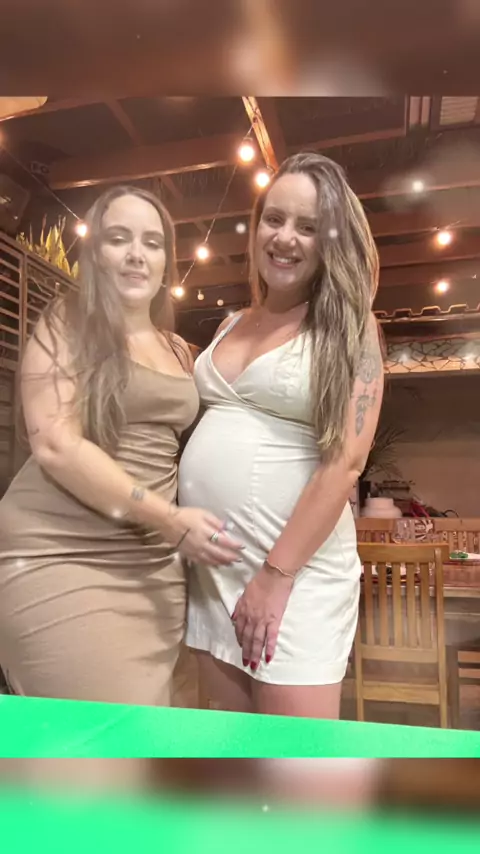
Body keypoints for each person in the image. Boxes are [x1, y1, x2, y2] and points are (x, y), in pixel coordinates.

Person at [0, 185, 242, 706]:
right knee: (100, 734)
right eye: (119, 238)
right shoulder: (67, 320)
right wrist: (168, 519)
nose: (136, 253)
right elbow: (55, 444)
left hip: (153, 565)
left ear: (165, 262)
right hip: (63, 551)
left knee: (139, 731)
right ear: (95, 253)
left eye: (152, 242)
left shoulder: (176, 348)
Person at [179, 152, 384, 718]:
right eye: (274, 219)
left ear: (330, 241)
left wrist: (275, 578)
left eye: (308, 226)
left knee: (296, 761)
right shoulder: (229, 324)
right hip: (216, 572)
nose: (285, 237)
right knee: (233, 756)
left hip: (294, 576)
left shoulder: (350, 327)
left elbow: (346, 463)